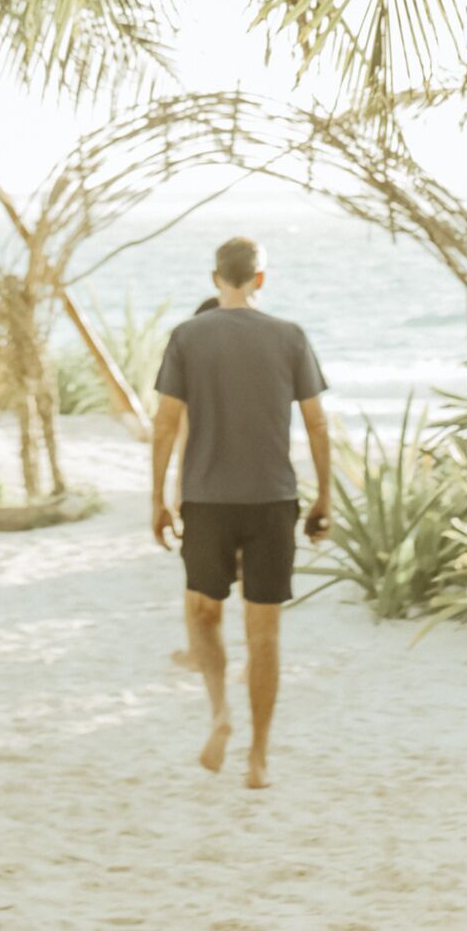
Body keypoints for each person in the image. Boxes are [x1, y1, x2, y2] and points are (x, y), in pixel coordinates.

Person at [151, 238, 330, 789]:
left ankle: (220, 714)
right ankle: (258, 759)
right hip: (273, 499)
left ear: (215, 279)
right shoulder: (290, 336)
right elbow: (317, 424)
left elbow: (163, 423)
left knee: (203, 614)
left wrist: (156, 497)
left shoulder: (186, 336)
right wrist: (325, 495)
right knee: (265, 634)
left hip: (206, 500)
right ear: (260, 279)